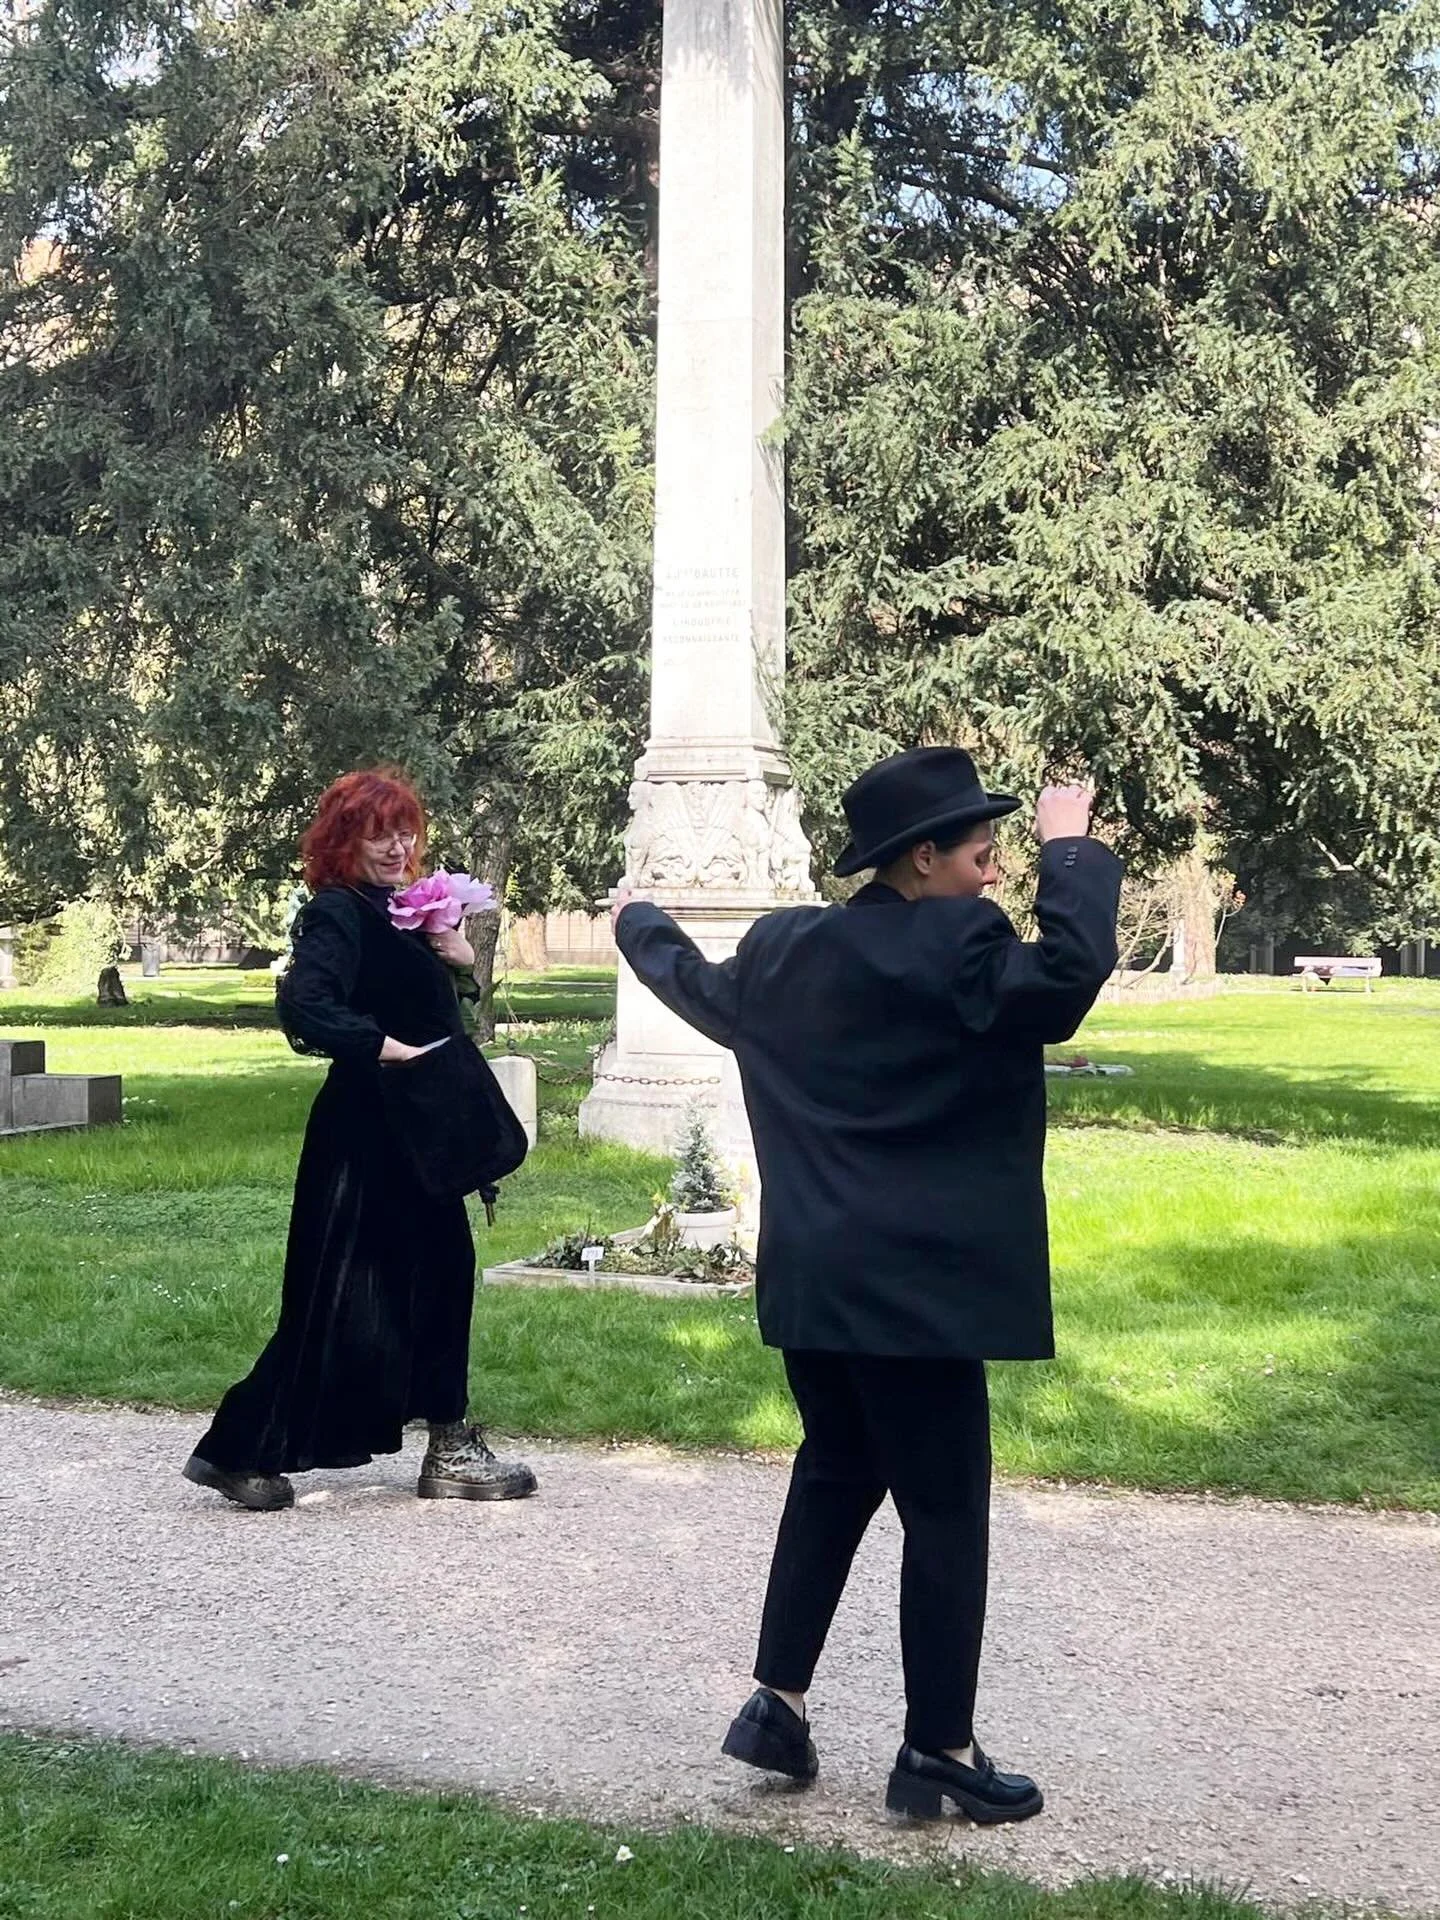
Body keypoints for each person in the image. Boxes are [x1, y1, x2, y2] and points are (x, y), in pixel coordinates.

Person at [612, 746, 1121, 1824]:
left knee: (836, 1471)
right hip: (918, 1296)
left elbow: (697, 989)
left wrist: (636, 920)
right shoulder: (963, 947)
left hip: (818, 1281)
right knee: (944, 1512)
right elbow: (1067, 980)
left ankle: (776, 1704)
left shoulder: (786, 949)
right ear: (922, 858)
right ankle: (939, 1748)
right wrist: (1071, 846)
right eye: (982, 848)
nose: (996, 865)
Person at [183, 769, 536, 1512]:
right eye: (381, 833)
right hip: (365, 1138)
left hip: (413, 1135)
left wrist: (459, 963)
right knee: (336, 1297)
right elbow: (305, 1005)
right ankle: (237, 1449)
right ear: (345, 841)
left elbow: (424, 1002)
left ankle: (448, 1443)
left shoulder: (395, 912)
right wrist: (385, 1048)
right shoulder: (338, 915)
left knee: (440, 1273)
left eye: (406, 830)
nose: (398, 845)